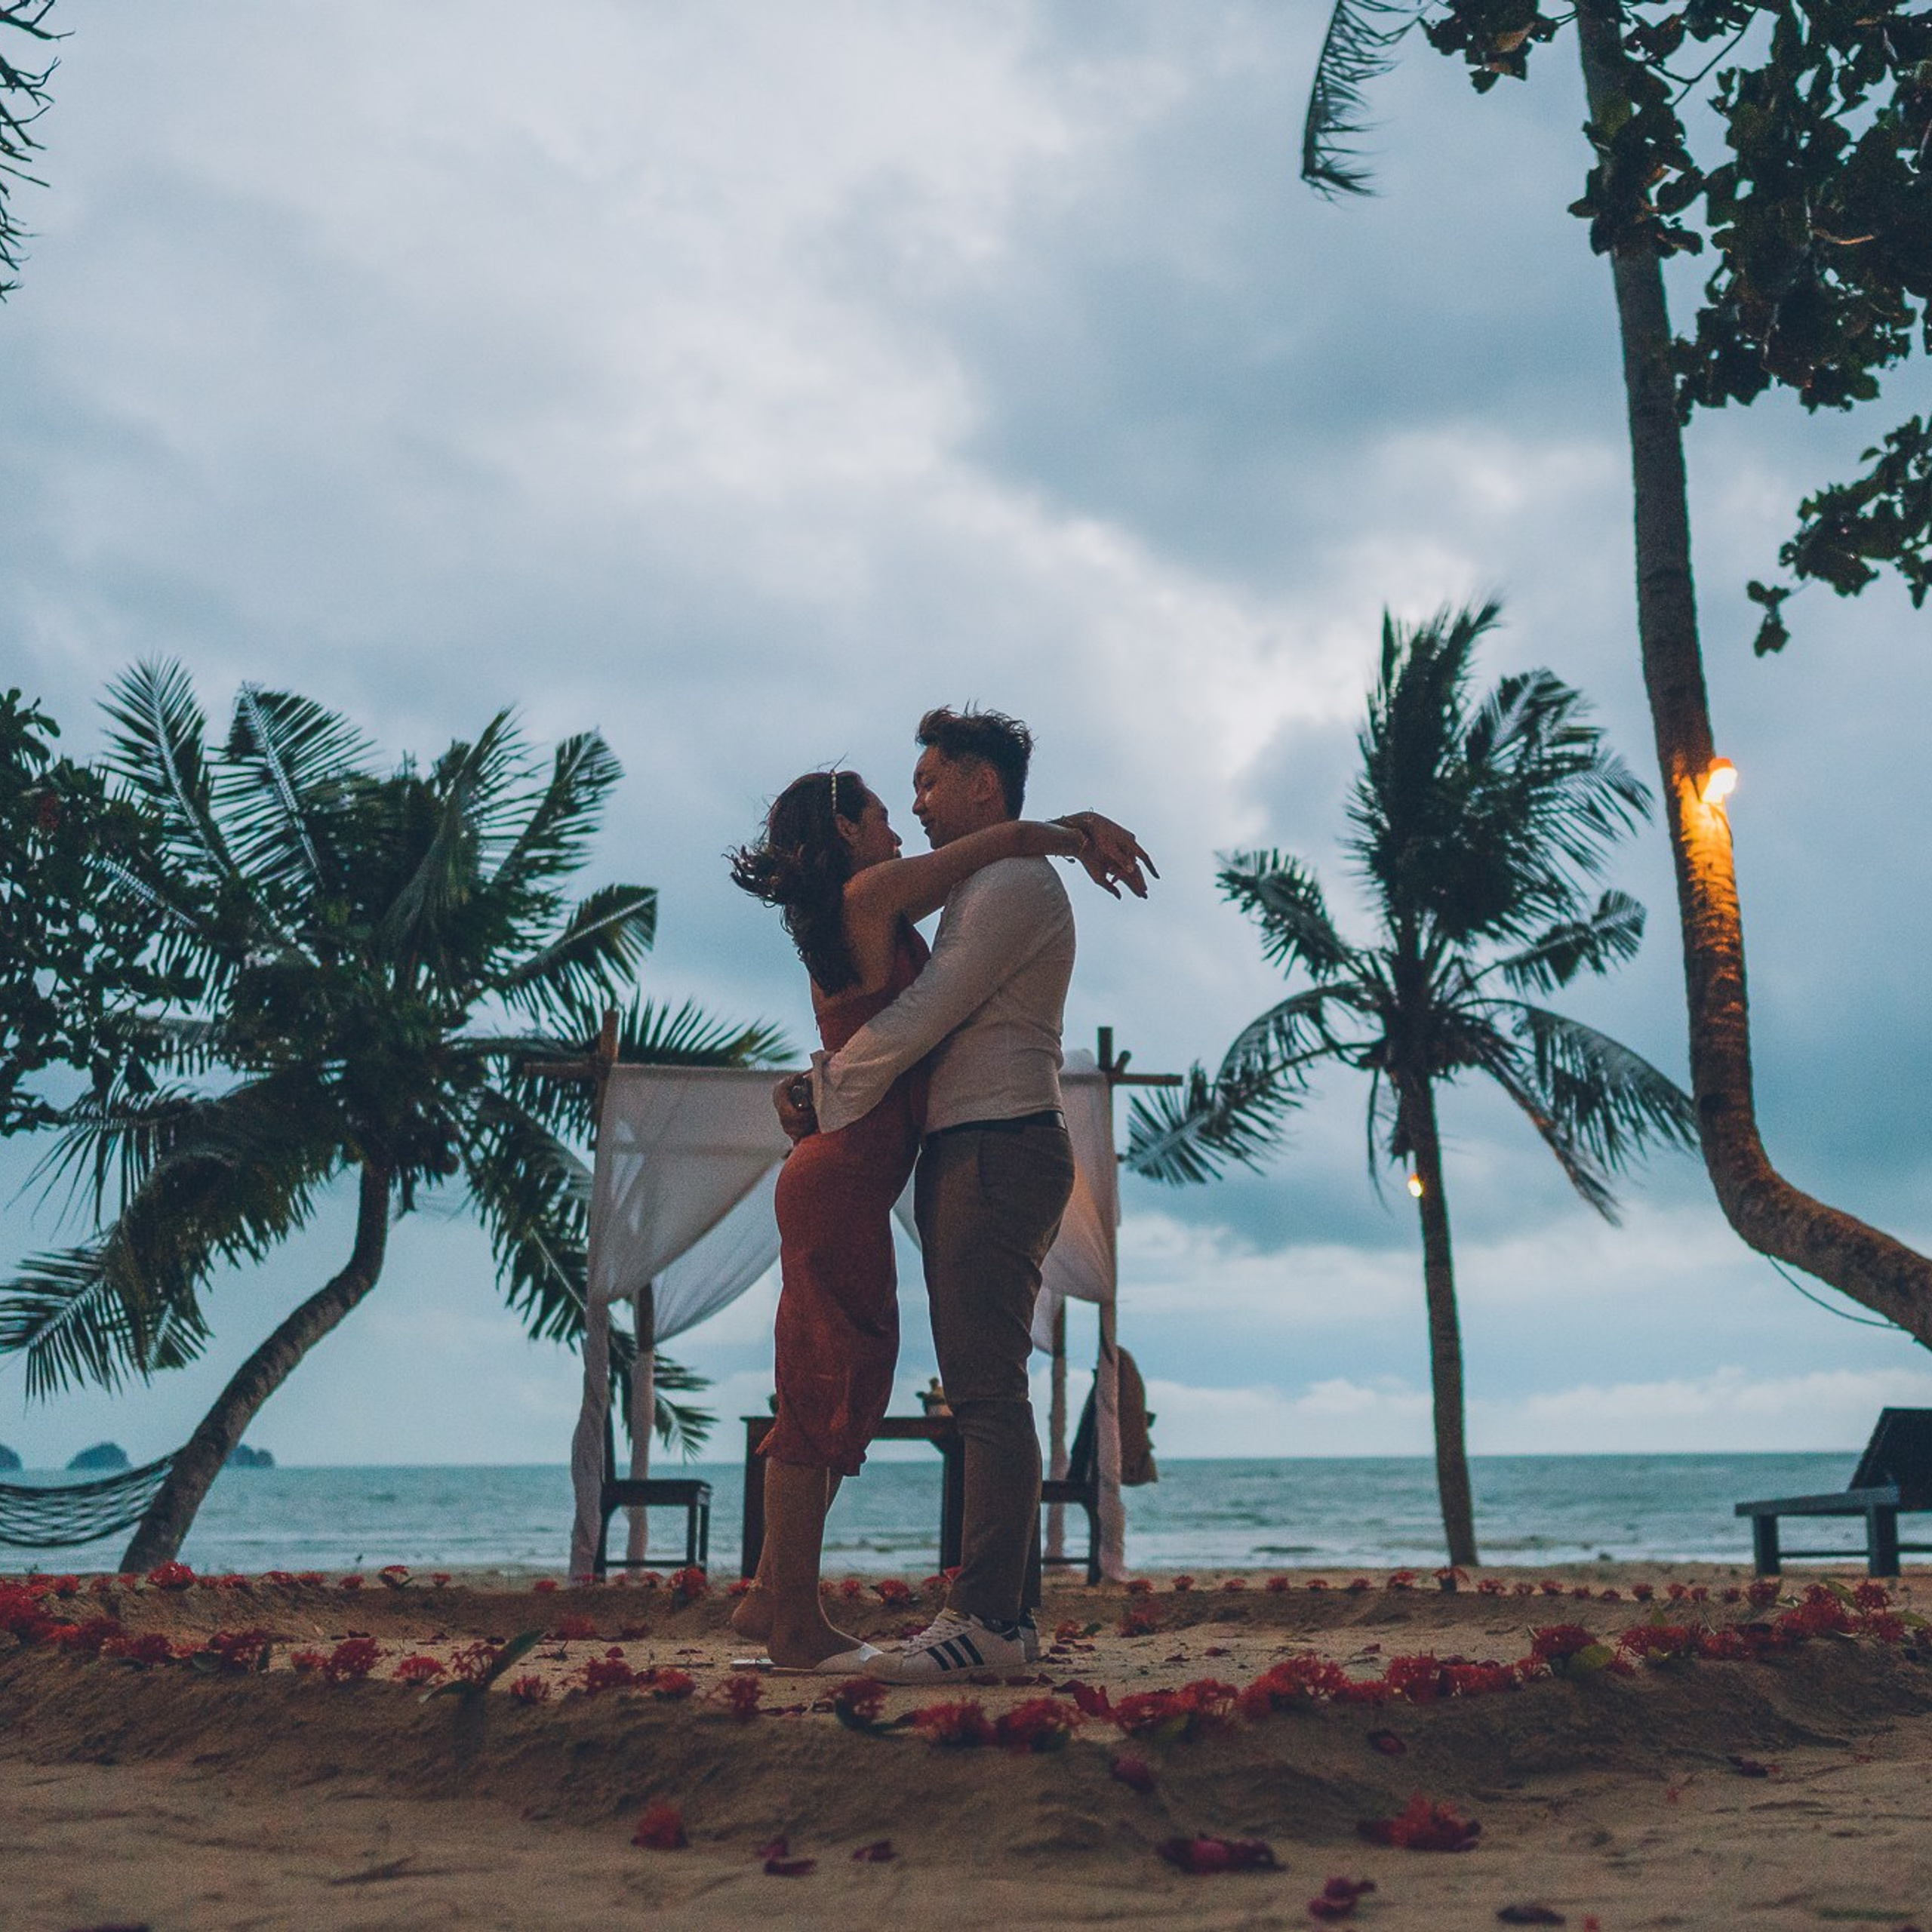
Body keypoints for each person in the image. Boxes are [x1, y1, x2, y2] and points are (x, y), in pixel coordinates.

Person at [727, 761, 1145, 1671]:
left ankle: (772, 1593)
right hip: (839, 1179)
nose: (901, 822)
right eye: (883, 809)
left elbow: (988, 850)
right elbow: (999, 841)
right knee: (820, 1396)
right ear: (845, 832)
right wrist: (1080, 828)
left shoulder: (867, 904)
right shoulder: (874, 892)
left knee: (829, 1384)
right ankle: (793, 1615)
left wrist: (1077, 822)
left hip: (840, 1178)